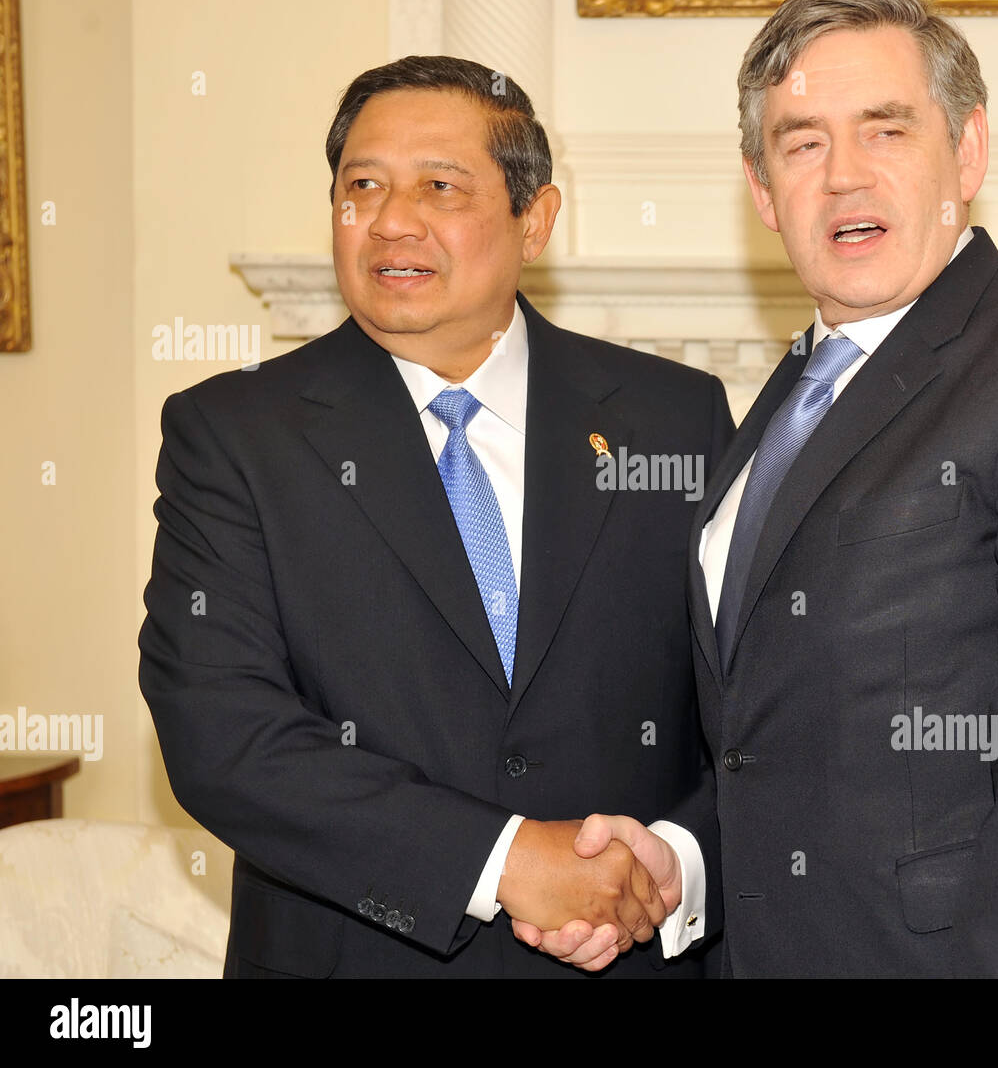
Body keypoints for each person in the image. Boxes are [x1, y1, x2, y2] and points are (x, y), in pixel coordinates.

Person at [518, 0, 998, 978]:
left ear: (965, 152)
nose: (843, 174)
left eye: (885, 131)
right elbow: (779, 750)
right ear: (762, 191)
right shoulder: (785, 403)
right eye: (802, 142)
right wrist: (679, 865)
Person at [138, 55, 731, 978]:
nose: (391, 220)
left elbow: (748, 716)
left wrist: (673, 863)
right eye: (361, 185)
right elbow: (222, 731)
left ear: (533, 218)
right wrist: (503, 861)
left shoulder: (672, 417)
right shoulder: (234, 435)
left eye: (439, 186)